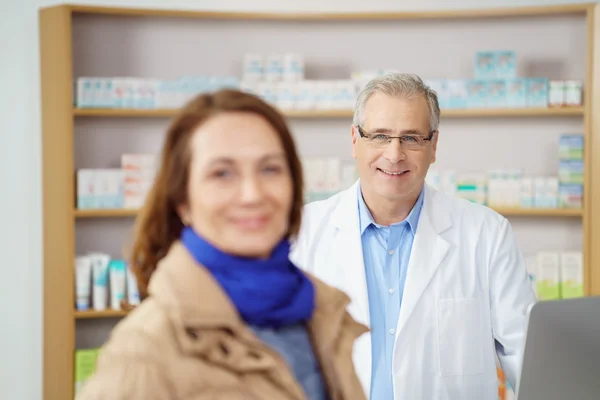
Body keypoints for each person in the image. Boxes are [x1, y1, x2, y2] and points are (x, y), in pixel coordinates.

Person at [77, 89, 368, 400]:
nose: (252, 194)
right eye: (222, 173)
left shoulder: (320, 312)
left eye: (269, 169)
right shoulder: (145, 349)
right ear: (183, 200)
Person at [290, 73, 537, 399]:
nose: (394, 154)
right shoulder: (304, 233)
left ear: (433, 146)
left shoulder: (486, 235)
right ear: (354, 140)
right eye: (379, 135)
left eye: (411, 138)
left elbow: (528, 360)